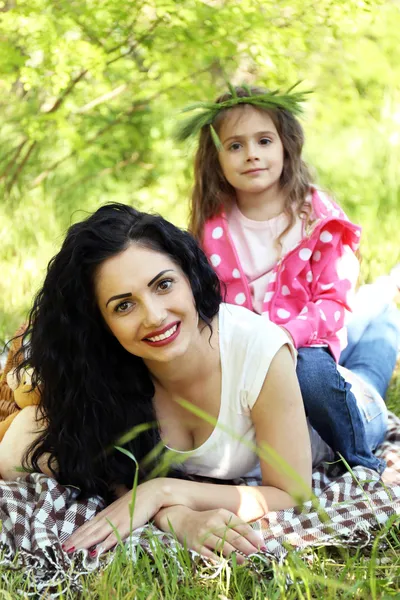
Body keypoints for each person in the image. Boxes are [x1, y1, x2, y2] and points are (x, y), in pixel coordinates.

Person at [0, 204, 387, 562]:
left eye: (163, 285)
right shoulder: (107, 375)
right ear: (99, 323)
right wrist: (179, 518)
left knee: (368, 367)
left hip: (339, 415)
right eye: (124, 305)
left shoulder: (258, 349)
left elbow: (293, 492)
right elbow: (106, 469)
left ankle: (384, 308)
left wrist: (161, 491)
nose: (154, 316)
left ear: (188, 275)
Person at [180, 83, 394, 474]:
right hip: (241, 353)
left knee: (316, 377)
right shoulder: (212, 227)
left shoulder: (316, 216)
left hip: (307, 344)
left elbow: (332, 303)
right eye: (235, 146)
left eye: (264, 140)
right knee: (366, 348)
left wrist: (280, 340)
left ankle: (359, 459)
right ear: (216, 158)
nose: (252, 155)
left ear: (285, 145)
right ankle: (384, 307)